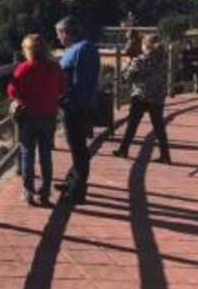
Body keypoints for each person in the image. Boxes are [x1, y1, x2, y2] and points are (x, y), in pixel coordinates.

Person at [7, 34, 66, 206]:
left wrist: (22, 99)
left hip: (29, 115)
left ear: (28, 50)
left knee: (28, 153)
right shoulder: (54, 67)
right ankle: (45, 192)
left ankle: (28, 191)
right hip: (49, 114)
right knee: (46, 153)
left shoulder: (24, 68)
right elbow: (63, 88)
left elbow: (12, 91)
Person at [54, 16, 100, 205]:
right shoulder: (77, 48)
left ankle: (77, 191)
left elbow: (82, 81)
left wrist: (70, 102)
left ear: (67, 33)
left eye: (59, 33)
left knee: (78, 148)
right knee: (76, 147)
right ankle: (72, 181)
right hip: (73, 104)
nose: (57, 37)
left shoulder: (83, 49)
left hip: (76, 106)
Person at [113, 34, 171, 163]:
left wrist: (126, 65)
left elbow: (127, 77)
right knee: (159, 127)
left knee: (132, 124)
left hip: (141, 95)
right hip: (158, 96)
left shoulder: (141, 60)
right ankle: (165, 155)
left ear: (145, 45)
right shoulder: (163, 59)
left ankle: (123, 149)